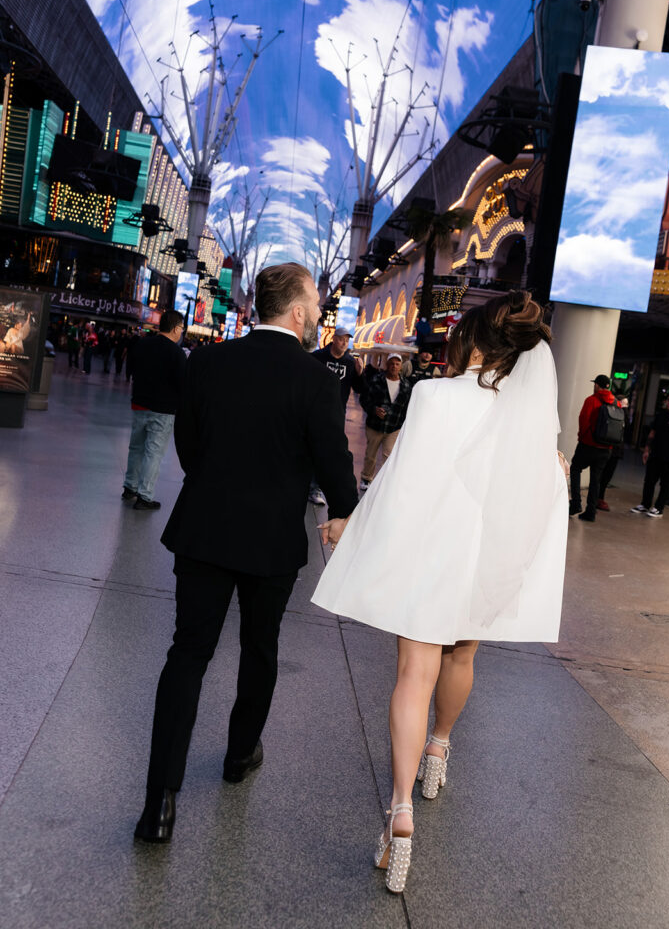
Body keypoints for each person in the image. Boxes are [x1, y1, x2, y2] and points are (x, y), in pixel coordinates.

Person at [312, 291, 568, 894]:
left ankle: (399, 814)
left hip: (429, 556)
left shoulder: (433, 395)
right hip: (483, 562)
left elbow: (400, 484)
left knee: (412, 676)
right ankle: (440, 749)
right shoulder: (528, 413)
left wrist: (355, 529)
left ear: (474, 342)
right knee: (464, 655)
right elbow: (543, 489)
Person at [134, 263, 357, 844]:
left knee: (187, 653)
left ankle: (158, 804)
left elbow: (188, 441)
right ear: (299, 311)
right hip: (272, 541)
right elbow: (334, 462)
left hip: (204, 529)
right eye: (315, 303)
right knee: (260, 648)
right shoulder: (316, 382)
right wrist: (342, 509)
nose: (317, 313)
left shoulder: (207, 362)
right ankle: (238, 756)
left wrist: (213, 484)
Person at [122, 311, 186, 511]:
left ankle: (129, 488)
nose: (182, 332)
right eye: (182, 328)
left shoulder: (142, 344)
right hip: (164, 410)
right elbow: (182, 383)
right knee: (153, 453)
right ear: (175, 328)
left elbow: (130, 368)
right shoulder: (177, 353)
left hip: (139, 404)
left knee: (136, 448)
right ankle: (145, 496)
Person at [308, 325, 365, 505]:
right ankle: (303, 482)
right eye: (341, 339)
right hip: (314, 410)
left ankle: (315, 487)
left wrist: (360, 373)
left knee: (325, 451)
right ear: (333, 338)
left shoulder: (350, 363)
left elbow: (361, 389)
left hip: (336, 414)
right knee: (307, 446)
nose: (343, 343)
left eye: (347, 340)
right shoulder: (318, 357)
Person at [568, 375, 619, 522]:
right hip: (606, 448)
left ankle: (575, 504)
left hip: (588, 445)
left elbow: (583, 420)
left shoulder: (591, 400)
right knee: (595, 479)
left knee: (576, 468)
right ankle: (591, 512)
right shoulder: (617, 403)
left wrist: (582, 438)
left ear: (597, 385)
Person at [359, 352, 411, 490]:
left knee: (388, 456)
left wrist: (404, 423)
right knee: (371, 455)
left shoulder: (406, 385)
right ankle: (366, 478)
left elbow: (408, 406)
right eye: (391, 363)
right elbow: (364, 399)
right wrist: (374, 409)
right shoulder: (376, 380)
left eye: (397, 363)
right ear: (387, 365)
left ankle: (381, 482)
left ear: (401, 366)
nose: (394, 366)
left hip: (394, 426)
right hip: (375, 425)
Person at [630, 391, 669, 518]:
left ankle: (659, 508)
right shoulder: (660, 415)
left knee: (665, 484)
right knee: (649, 481)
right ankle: (645, 504)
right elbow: (652, 433)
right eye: (668, 400)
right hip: (655, 454)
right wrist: (647, 450)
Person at [596, 395, 629, 511]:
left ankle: (599, 497)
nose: (624, 407)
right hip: (607, 447)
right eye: (623, 404)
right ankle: (597, 498)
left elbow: (628, 426)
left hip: (616, 450)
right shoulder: (609, 411)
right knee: (601, 474)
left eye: (626, 405)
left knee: (607, 475)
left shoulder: (623, 415)